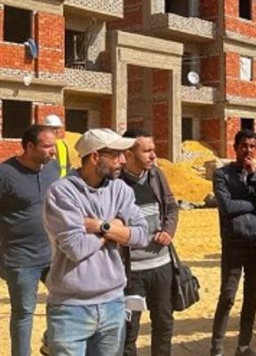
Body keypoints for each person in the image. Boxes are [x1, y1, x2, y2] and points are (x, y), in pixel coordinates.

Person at [43, 128, 148, 355]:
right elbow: (77, 248)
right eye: (116, 155)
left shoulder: (120, 189)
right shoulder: (62, 193)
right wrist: (117, 227)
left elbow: (141, 235)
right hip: (71, 310)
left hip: (113, 304)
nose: (123, 161)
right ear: (95, 157)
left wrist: (101, 226)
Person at [120, 129, 180, 356]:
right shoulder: (115, 182)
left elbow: (171, 207)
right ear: (129, 154)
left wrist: (168, 231)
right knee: (128, 330)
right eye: (147, 151)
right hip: (131, 271)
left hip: (161, 266)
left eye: (153, 150)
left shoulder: (156, 175)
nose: (153, 155)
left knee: (164, 323)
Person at [0, 125, 59, 356]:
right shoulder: (5, 174)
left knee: (65, 301)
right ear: (30, 146)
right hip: (20, 258)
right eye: (47, 146)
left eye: (53, 145)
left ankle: (50, 342)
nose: (53, 151)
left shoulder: (53, 168)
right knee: (24, 312)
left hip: (52, 254)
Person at [210, 129, 256, 356]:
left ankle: (243, 345)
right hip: (233, 243)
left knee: (252, 296)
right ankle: (216, 348)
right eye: (244, 145)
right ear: (235, 147)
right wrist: (254, 206)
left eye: (252, 146)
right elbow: (226, 206)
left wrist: (254, 176)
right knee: (227, 296)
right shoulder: (222, 175)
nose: (248, 150)